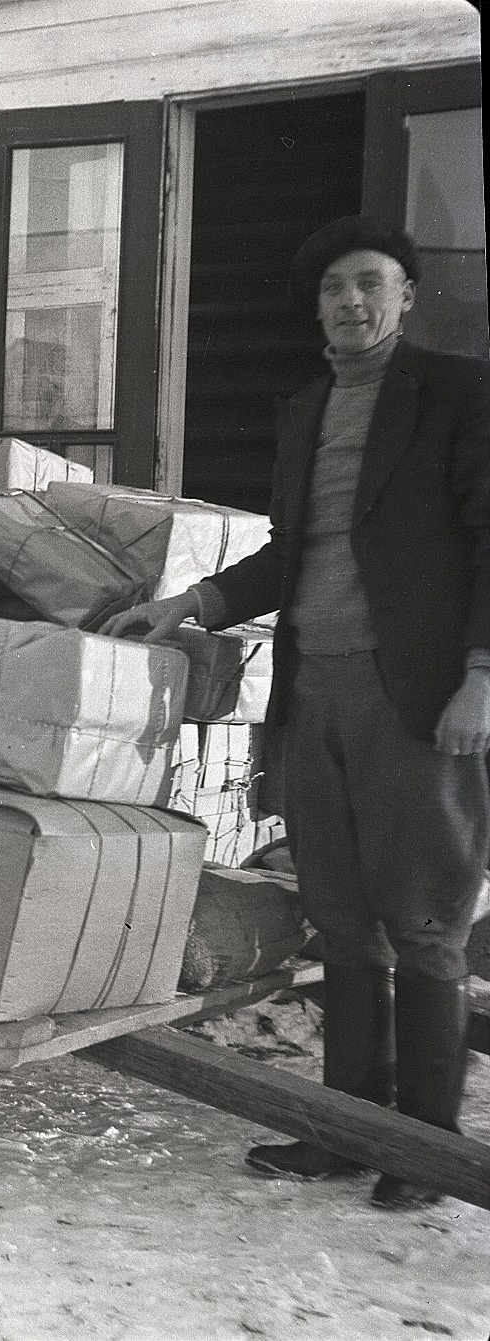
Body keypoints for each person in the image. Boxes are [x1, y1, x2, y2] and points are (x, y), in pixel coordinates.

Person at [104, 216, 490, 1210]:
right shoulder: (306, 409)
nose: (349, 302)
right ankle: (340, 1131)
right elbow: (290, 555)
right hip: (308, 688)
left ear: (405, 293)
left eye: (369, 283)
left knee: (424, 926)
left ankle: (422, 1149)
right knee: (338, 919)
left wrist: (479, 678)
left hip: (409, 698)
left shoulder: (455, 393)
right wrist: (192, 602)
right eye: (331, 289)